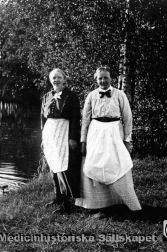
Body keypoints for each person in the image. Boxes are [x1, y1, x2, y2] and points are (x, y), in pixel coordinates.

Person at [75, 66, 141, 211]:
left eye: (106, 77)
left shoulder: (120, 94)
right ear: (96, 79)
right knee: (94, 164)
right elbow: (85, 120)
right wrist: (83, 141)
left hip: (115, 132)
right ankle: (98, 204)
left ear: (111, 78)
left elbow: (128, 118)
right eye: (100, 78)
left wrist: (127, 140)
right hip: (96, 132)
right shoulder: (91, 95)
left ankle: (123, 201)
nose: (103, 81)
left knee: (117, 164)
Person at [41, 68, 81, 214]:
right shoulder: (46, 96)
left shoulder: (71, 96)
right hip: (50, 133)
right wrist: (43, 137)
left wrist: (73, 138)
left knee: (63, 166)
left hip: (64, 132)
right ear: (50, 80)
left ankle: (67, 203)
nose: (56, 80)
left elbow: (76, 119)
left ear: (64, 79)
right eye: (53, 78)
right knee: (53, 164)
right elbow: (42, 118)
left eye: (59, 77)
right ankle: (58, 196)